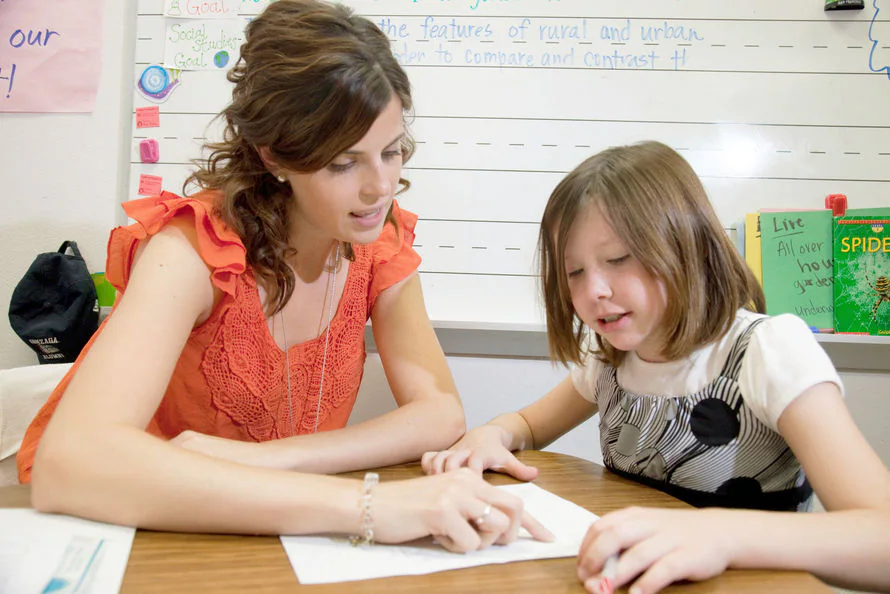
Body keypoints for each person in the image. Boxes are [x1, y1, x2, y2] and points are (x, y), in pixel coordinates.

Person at [15, 0, 553, 550]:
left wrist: (269, 459)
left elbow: (438, 412)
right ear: (274, 156)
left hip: (280, 539)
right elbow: (71, 461)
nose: (379, 186)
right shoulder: (192, 250)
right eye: (343, 163)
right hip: (157, 534)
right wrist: (367, 507)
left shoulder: (377, 238)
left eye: (391, 152)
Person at [423, 141, 890, 587]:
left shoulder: (767, 350)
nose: (594, 291)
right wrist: (494, 434)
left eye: (618, 259)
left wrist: (720, 535)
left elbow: (880, 540)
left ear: (686, 245)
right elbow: (527, 424)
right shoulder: (610, 359)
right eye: (574, 271)